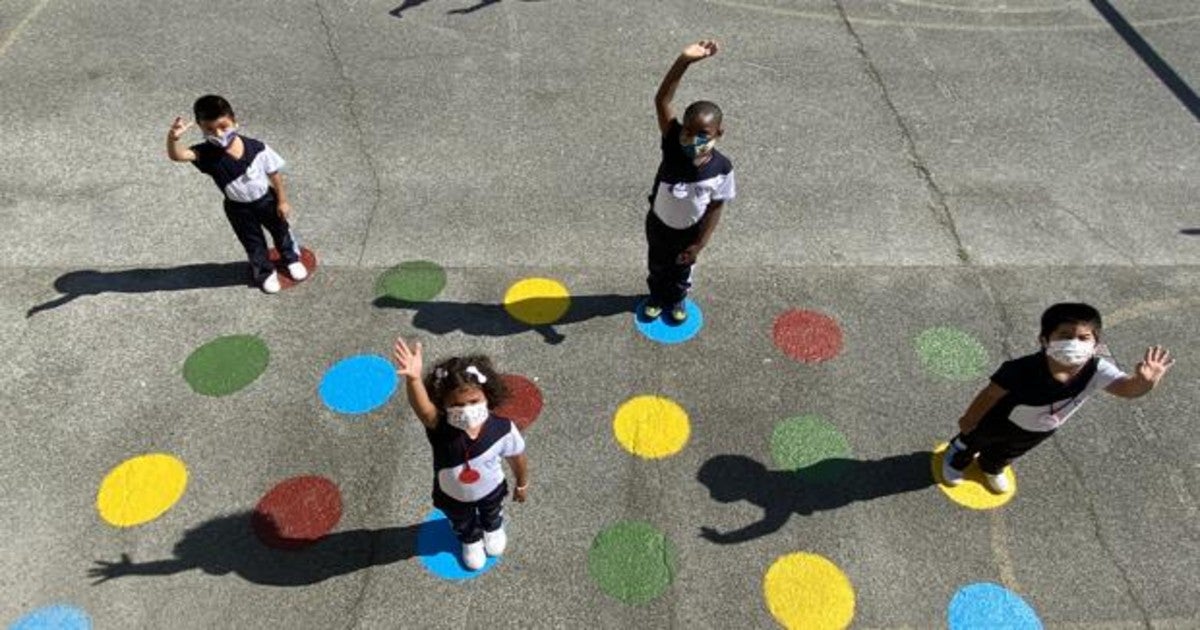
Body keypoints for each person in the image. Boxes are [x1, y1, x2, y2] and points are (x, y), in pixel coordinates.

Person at [941, 303, 1174, 493]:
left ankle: (992, 466)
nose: (1074, 343)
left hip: (1041, 428)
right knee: (975, 439)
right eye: (1065, 335)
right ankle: (956, 459)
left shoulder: (1098, 369)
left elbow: (1126, 389)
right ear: (1044, 340)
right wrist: (970, 418)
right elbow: (990, 394)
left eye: (1084, 338)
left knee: (1010, 451)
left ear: (1096, 344)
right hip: (998, 419)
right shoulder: (1020, 369)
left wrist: (1144, 382)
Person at [393, 338, 529, 570]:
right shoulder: (440, 429)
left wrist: (522, 484)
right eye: (456, 404)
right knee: (460, 520)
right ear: (443, 404)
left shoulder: (503, 428)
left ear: (488, 396)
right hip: (452, 496)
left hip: (491, 489)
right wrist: (414, 379)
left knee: (492, 510)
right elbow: (424, 410)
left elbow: (517, 456)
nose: (466, 410)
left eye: (474, 401)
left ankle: (493, 527)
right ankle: (470, 539)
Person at [166, 95, 306, 294]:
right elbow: (177, 156)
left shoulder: (257, 147)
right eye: (209, 129)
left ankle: (291, 258)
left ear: (234, 120)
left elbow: (273, 173)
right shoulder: (205, 153)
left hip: (266, 199)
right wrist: (173, 138)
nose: (218, 133)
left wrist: (282, 200)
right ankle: (265, 272)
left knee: (281, 230)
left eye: (223, 126)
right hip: (238, 208)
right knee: (252, 241)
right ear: (201, 127)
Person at [644, 40, 736, 323]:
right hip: (659, 225)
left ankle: (677, 297)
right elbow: (663, 101)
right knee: (658, 266)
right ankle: (657, 295)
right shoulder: (673, 146)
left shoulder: (721, 168)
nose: (693, 140)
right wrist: (684, 60)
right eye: (688, 131)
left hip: (689, 232)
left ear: (718, 133)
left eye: (703, 134)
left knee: (682, 270)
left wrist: (700, 243)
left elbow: (716, 208)